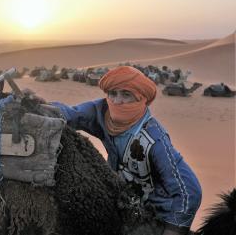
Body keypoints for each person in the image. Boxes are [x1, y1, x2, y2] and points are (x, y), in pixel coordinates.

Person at [51, 66, 202, 235]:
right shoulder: (102, 112)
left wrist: (173, 229)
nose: (117, 100)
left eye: (126, 94)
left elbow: (189, 191)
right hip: (123, 202)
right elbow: (70, 114)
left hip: (153, 215)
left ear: (141, 98)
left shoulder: (154, 140)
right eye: (113, 93)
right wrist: (37, 107)